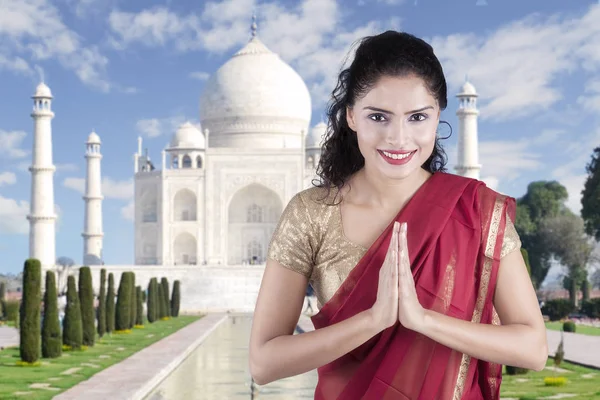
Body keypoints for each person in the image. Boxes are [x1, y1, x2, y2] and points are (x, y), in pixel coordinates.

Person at [249, 30, 547, 399]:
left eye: (417, 117)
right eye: (379, 116)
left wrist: (423, 319)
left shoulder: (476, 212)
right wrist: (372, 320)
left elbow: (533, 348)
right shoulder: (312, 213)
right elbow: (263, 363)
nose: (398, 138)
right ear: (352, 117)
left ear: (438, 117)